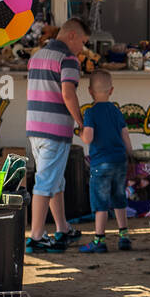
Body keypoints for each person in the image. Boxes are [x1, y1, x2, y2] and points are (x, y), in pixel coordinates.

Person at [25, 17, 90, 253]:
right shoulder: (68, 59)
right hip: (55, 131)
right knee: (45, 183)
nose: (82, 48)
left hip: (35, 128)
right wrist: (81, 123)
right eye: (82, 42)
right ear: (72, 36)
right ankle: (37, 236)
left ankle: (62, 227)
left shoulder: (37, 56)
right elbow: (68, 94)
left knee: (54, 180)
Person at [79, 70, 135, 253]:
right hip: (120, 161)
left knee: (100, 202)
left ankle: (99, 240)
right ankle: (124, 236)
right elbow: (125, 135)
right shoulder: (116, 111)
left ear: (90, 91)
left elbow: (88, 138)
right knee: (119, 198)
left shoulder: (90, 112)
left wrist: (80, 133)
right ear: (111, 90)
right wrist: (130, 154)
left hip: (100, 164)